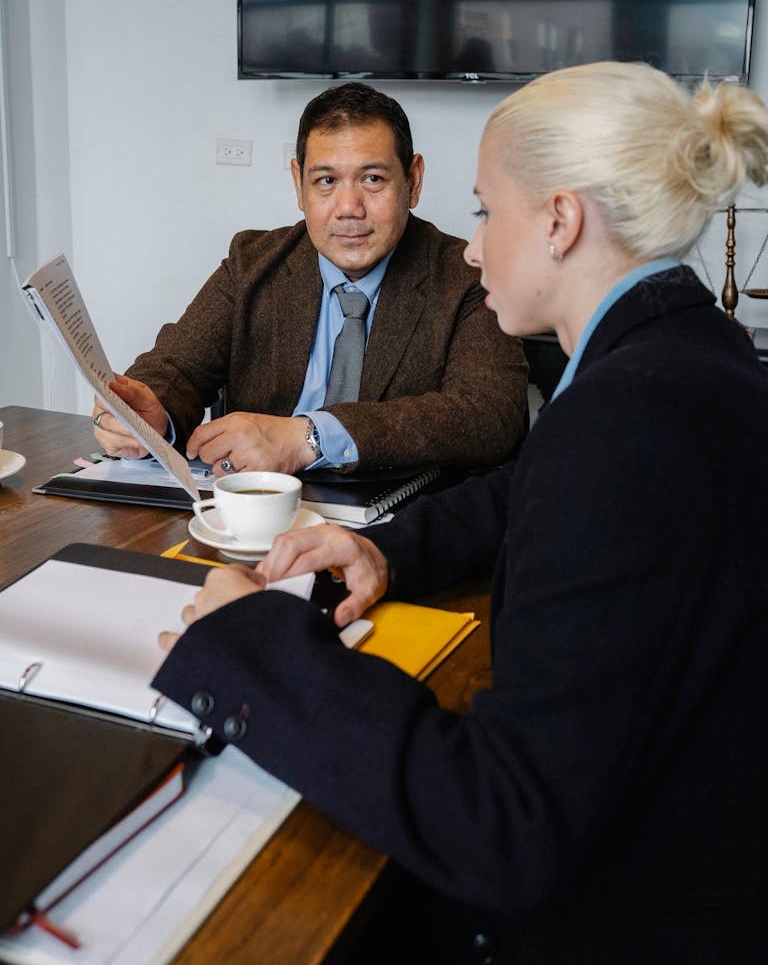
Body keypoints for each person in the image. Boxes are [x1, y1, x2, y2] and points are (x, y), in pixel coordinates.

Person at [154, 61, 768, 963]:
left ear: (558, 221)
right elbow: (531, 487)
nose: (474, 246)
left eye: (488, 212)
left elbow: (505, 825)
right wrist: (385, 553)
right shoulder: (688, 354)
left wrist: (254, 649)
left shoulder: (617, 426)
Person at [91, 82, 528, 476]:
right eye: (326, 181)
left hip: (395, 529)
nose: (348, 207)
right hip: (256, 517)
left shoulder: (465, 276)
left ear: (412, 182)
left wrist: (309, 437)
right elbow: (176, 368)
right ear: (299, 185)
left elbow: (492, 415)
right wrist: (151, 417)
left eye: (373, 179)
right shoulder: (252, 264)